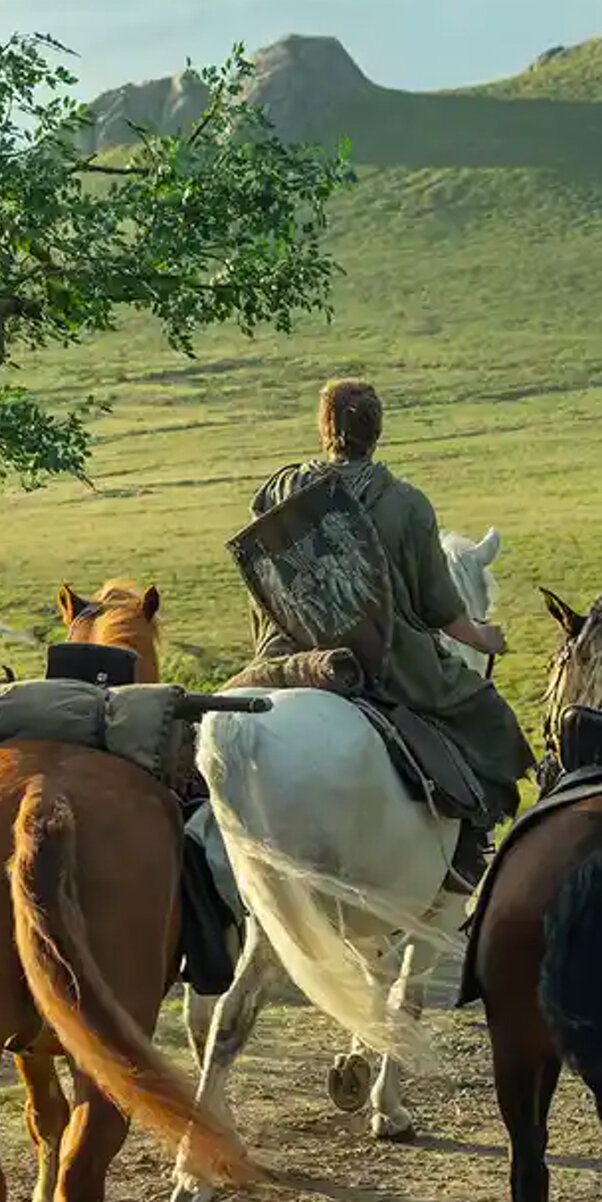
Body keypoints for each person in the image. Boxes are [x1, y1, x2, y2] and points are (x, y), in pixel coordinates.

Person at [244, 378, 534, 889]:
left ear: (323, 428)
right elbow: (439, 609)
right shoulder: (405, 505)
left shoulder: (283, 488)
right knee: (489, 719)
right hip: (387, 657)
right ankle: (467, 853)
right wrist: (485, 640)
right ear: (377, 432)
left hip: (292, 647)